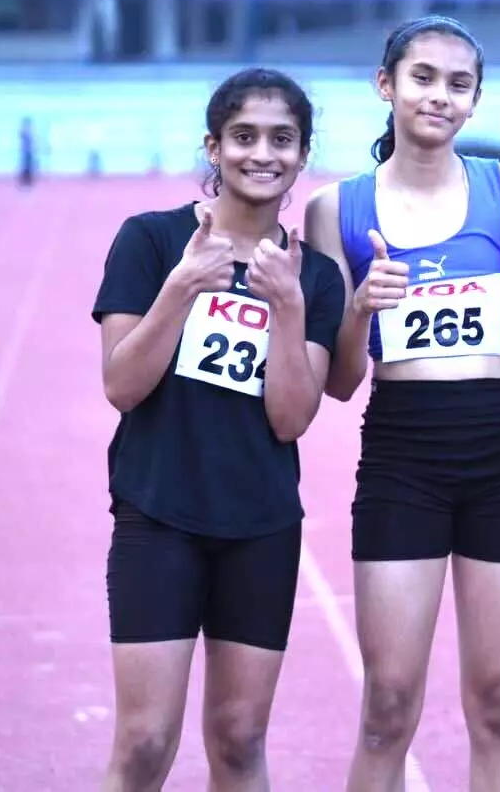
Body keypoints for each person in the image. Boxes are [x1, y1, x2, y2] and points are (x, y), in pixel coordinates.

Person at [304, 15, 500, 792]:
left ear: (475, 101)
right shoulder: (335, 209)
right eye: (423, 78)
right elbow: (340, 382)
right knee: (387, 704)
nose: (440, 97)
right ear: (385, 86)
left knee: (497, 702)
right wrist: (359, 308)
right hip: (403, 452)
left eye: (459, 84)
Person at [91, 67, 345, 792]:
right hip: (159, 513)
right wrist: (180, 286)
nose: (261, 153)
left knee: (239, 739)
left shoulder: (316, 276)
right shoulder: (150, 240)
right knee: (143, 742)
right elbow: (121, 384)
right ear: (214, 146)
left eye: (281, 139)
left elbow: (292, 417)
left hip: (261, 524)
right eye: (243, 137)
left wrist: (289, 308)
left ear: (302, 154)